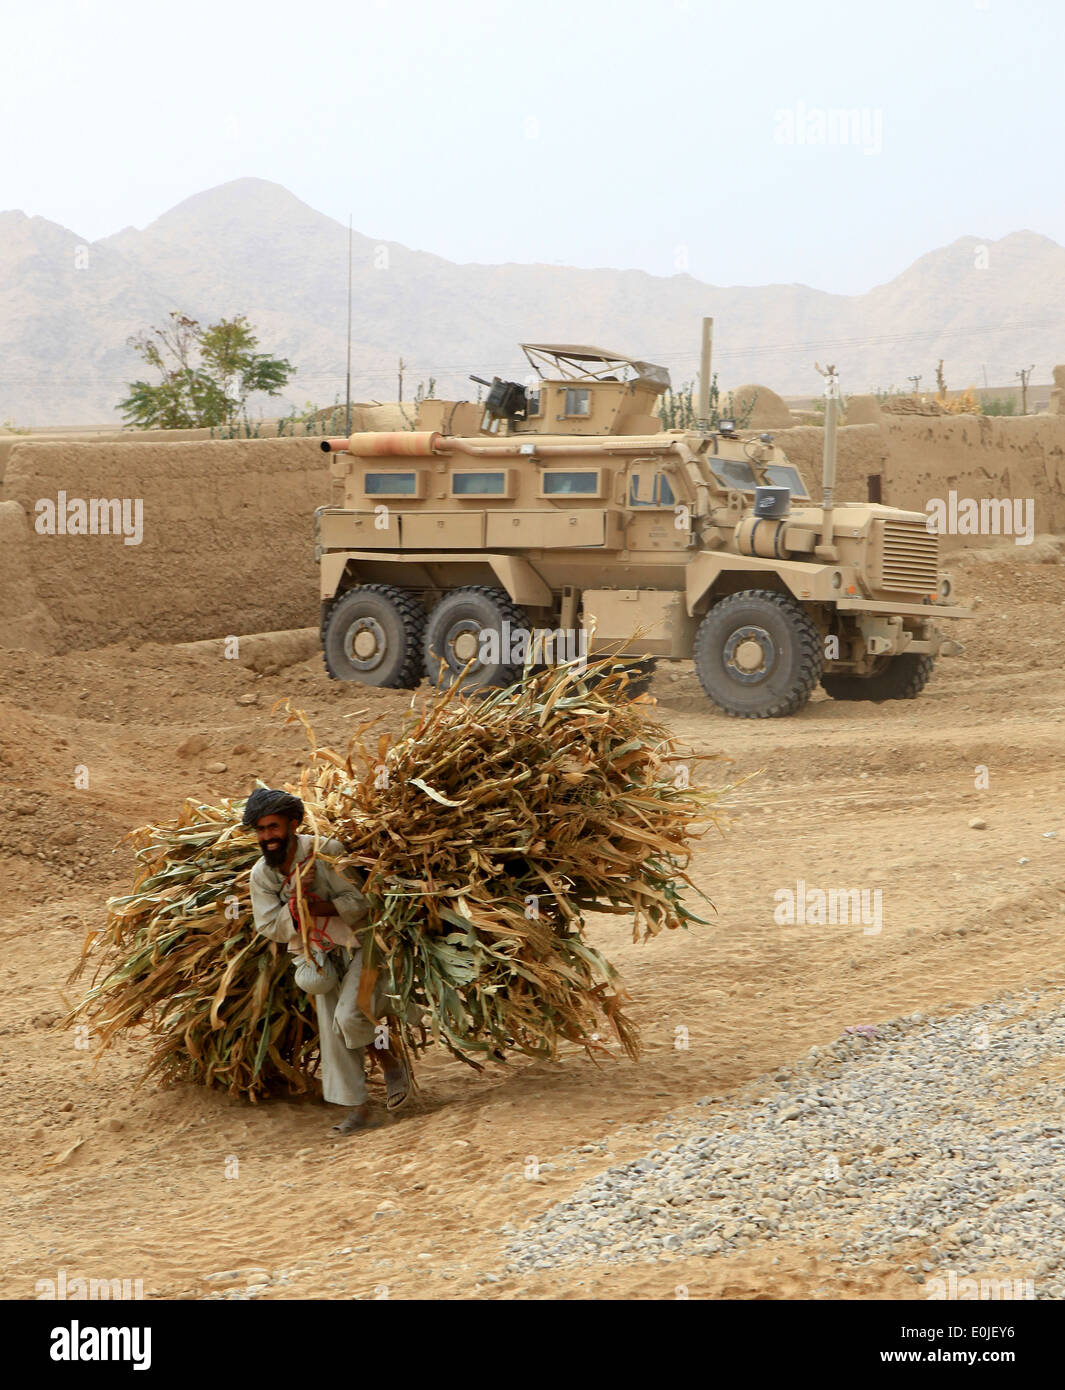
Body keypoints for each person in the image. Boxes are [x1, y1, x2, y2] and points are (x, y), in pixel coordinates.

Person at [243, 787, 413, 1134]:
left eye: (273, 827)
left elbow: (361, 903)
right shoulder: (262, 874)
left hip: (361, 946)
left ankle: (391, 1062)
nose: (267, 837)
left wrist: (314, 905)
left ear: (294, 824)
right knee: (331, 1028)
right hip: (316, 953)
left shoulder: (327, 853)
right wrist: (295, 908)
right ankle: (359, 1108)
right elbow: (267, 925)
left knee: (350, 1016)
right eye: (260, 830)